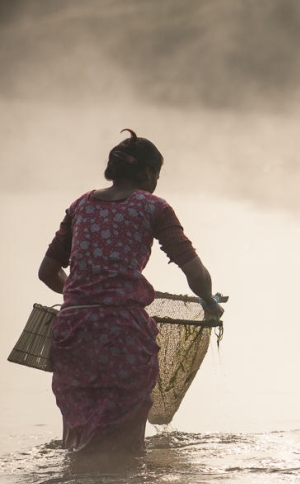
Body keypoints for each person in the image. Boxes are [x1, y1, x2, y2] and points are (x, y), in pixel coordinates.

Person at [38, 129, 224, 455]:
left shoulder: (81, 205)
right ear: (148, 173)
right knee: (125, 444)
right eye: (157, 174)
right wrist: (209, 303)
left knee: (78, 434)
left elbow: (47, 272)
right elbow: (194, 270)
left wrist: (85, 296)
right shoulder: (153, 207)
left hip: (72, 330)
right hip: (122, 332)